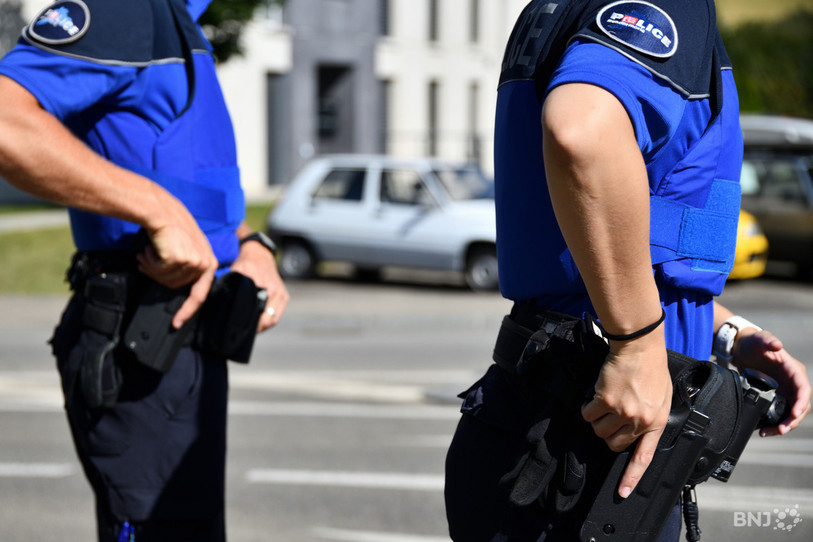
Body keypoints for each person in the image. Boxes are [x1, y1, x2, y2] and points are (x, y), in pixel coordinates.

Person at [444, 1, 812, 540]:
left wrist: (727, 330)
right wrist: (637, 343)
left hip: (555, 423)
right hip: (579, 446)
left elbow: (597, 250)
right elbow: (582, 133)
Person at [0, 0, 289, 540]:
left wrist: (252, 245)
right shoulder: (124, 9)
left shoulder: (178, 20)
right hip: (140, 339)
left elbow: (191, 187)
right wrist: (153, 207)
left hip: (179, 341)